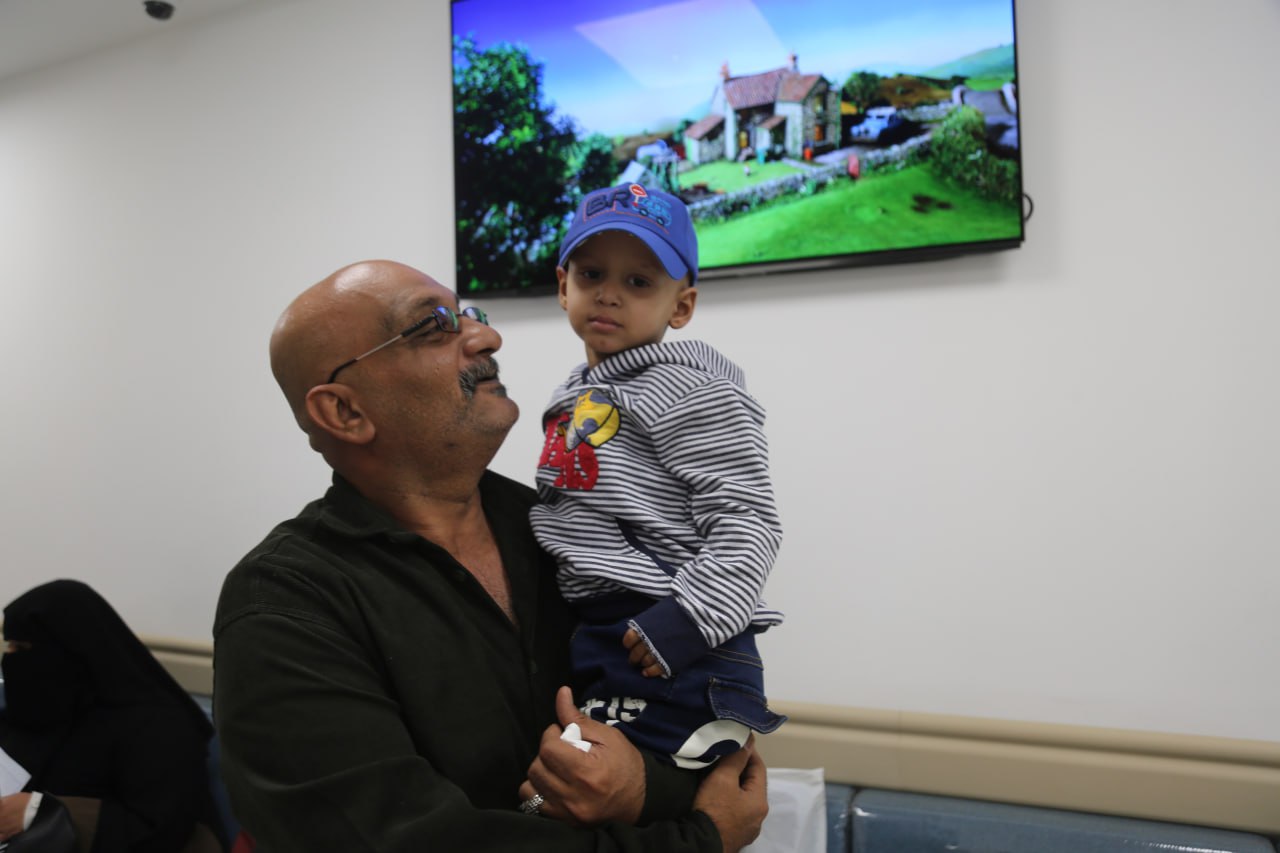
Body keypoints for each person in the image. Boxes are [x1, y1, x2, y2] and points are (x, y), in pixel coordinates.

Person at [212, 260, 767, 851]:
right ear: (345, 412)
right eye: (434, 326)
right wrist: (695, 838)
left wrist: (645, 793)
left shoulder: (568, 537)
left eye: (470, 315)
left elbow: (719, 767)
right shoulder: (283, 606)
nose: (487, 337)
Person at [530, 183, 786, 772]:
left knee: (638, 798)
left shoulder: (694, 390)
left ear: (681, 306)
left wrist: (688, 621)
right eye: (592, 274)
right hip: (597, 631)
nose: (608, 294)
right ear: (563, 286)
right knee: (571, 789)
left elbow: (748, 520)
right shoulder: (575, 390)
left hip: (670, 632)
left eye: (639, 281)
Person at [0, 579, 220, 853]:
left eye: (22, 649)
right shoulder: (34, 712)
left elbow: (162, 828)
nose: (11, 660)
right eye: (9, 647)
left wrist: (39, 812)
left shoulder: (157, 727)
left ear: (71, 650)